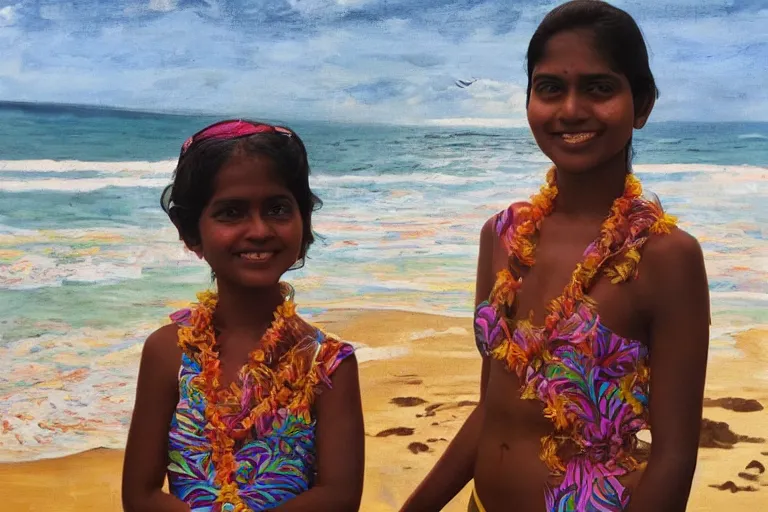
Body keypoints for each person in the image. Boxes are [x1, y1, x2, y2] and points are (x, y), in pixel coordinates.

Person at [401, 1, 710, 511]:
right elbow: (495, 407)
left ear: (643, 105)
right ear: (528, 101)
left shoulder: (663, 256)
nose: (570, 109)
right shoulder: (502, 236)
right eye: (549, 88)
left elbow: (675, 458)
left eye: (599, 87)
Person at [122, 120, 365, 511]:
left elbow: (339, 497)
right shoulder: (167, 352)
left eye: (277, 209)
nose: (258, 229)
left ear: (303, 225)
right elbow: (140, 495)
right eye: (231, 212)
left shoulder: (327, 364)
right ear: (191, 232)